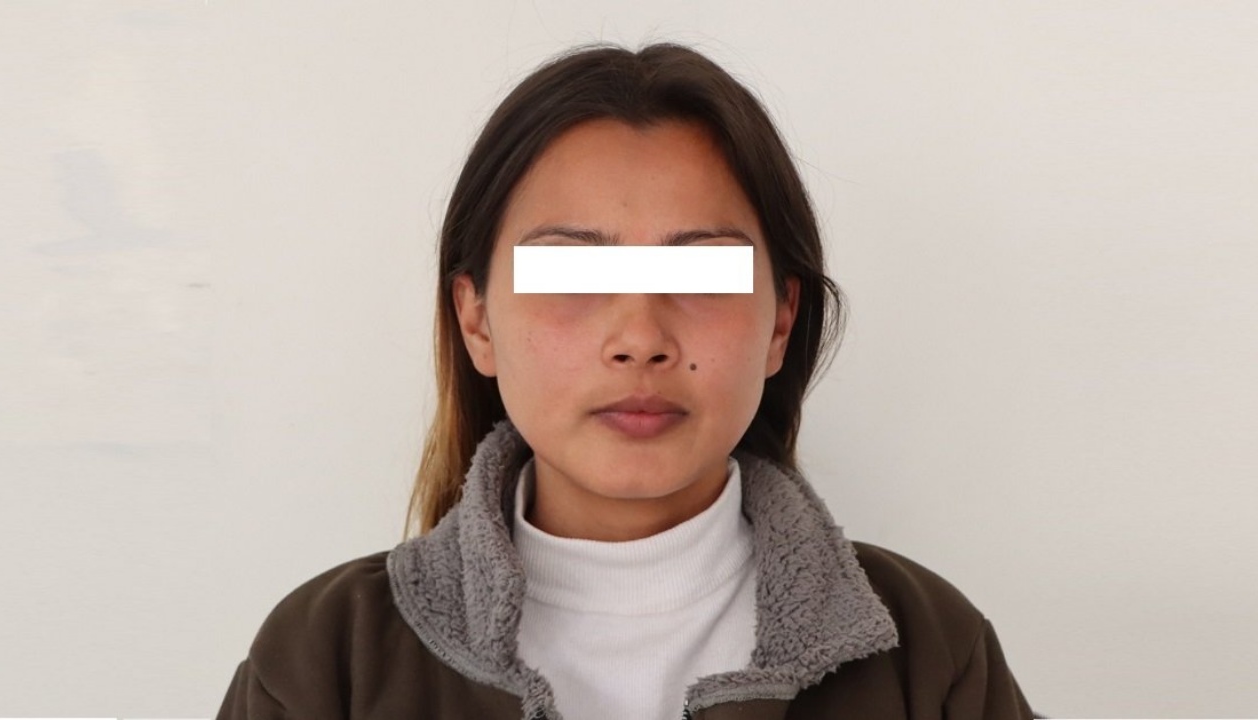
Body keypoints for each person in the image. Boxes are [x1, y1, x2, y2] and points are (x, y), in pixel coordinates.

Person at [216, 41, 1040, 720]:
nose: (640, 339)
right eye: (570, 274)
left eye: (704, 274)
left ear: (780, 323)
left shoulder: (928, 653)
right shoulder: (327, 660)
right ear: (477, 321)